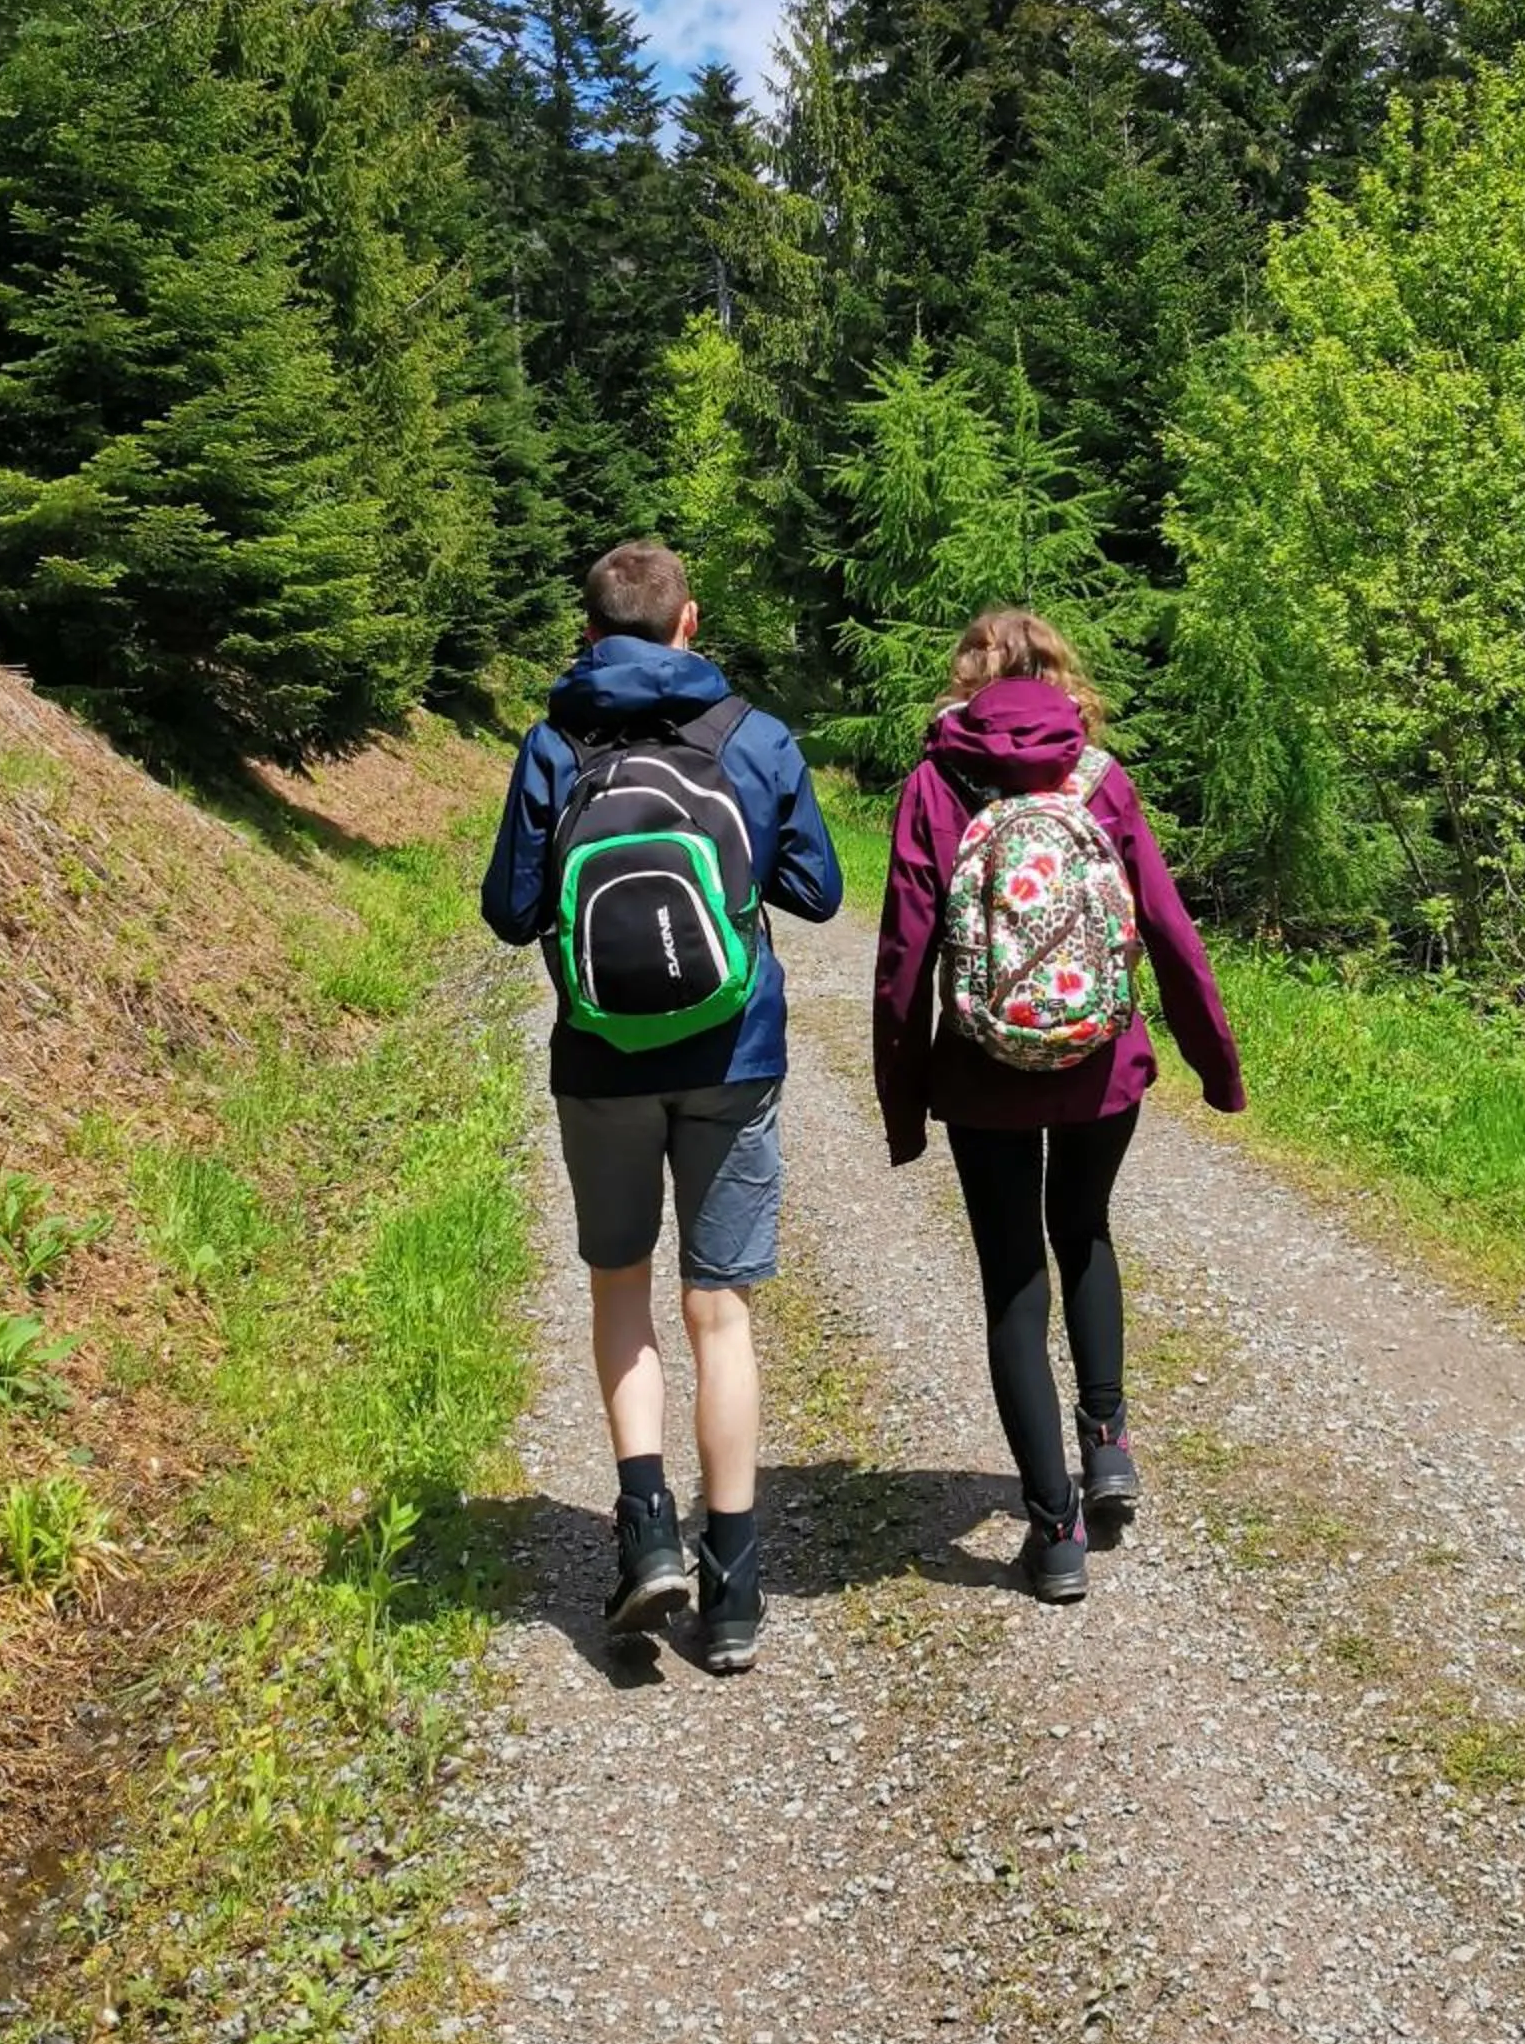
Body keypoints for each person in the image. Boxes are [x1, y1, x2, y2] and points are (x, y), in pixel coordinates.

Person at [482, 541, 842, 1669]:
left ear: (589, 634)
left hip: (601, 1062)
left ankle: (646, 1537)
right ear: (691, 621)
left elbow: (510, 909)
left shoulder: (553, 742)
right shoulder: (752, 735)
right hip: (734, 1054)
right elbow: (819, 892)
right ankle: (733, 1590)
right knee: (718, 1312)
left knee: (621, 1288)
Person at [871, 608, 1244, 1602]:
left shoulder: (935, 784)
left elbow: (905, 959)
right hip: (1101, 1061)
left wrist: (905, 1106)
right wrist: (1214, 1060)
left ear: (968, 681)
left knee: (1010, 1277)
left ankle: (1057, 1530)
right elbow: (1165, 923)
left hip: (985, 1076)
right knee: (1084, 1232)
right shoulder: (1099, 777)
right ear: (1062, 676)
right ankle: (1109, 1444)